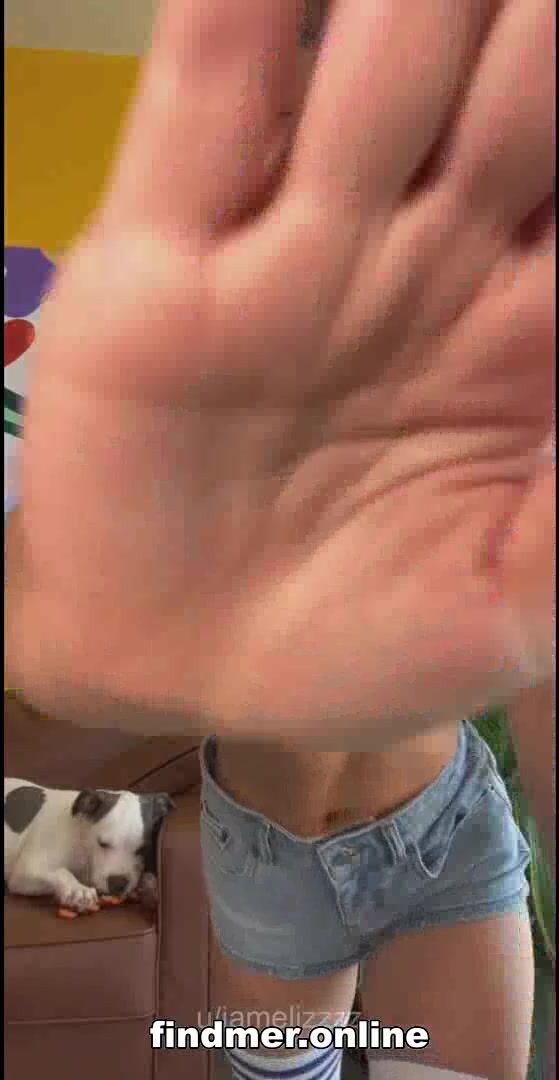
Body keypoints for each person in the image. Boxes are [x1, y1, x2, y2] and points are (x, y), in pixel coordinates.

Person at [4, 2, 554, 1078]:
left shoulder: (487, 390)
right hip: (269, 847)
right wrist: (52, 630)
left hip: (448, 820)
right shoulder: (175, 382)